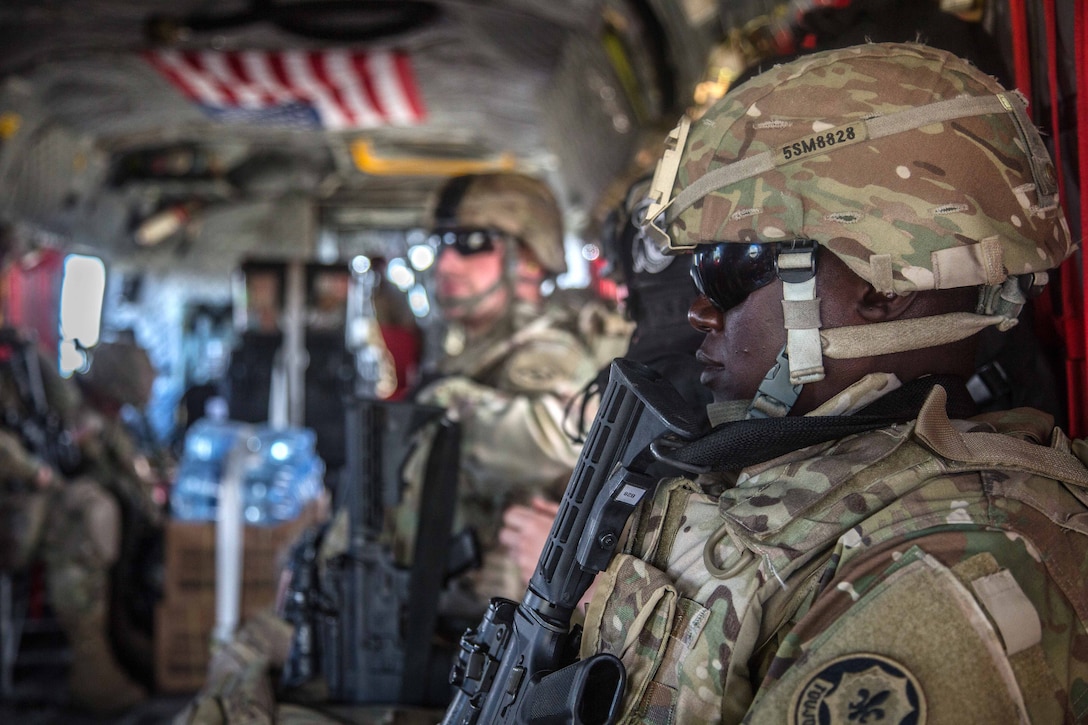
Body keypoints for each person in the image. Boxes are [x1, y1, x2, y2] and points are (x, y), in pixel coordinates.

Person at [575, 43, 1088, 723]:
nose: (699, 311)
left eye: (729, 267)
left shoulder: (959, 564)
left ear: (882, 285)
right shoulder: (790, 475)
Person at [394, 171, 602, 608]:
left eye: (472, 244)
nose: (446, 264)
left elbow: (563, 441)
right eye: (442, 244)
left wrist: (444, 406)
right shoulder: (470, 354)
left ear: (528, 256)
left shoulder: (549, 351)